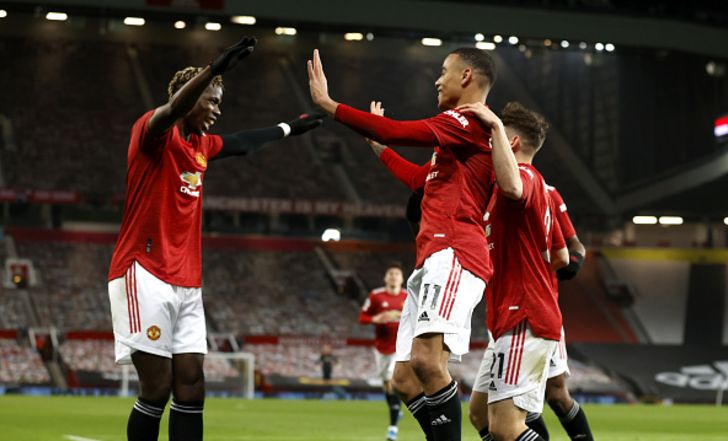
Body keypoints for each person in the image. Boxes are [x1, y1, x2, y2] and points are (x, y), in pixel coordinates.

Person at [106, 37, 323, 441]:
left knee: (192, 385)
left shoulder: (200, 146)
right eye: (213, 101)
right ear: (191, 99)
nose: (218, 110)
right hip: (143, 272)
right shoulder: (152, 133)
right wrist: (213, 69)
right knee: (157, 387)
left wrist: (289, 128)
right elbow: (172, 111)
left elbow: (241, 143)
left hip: (187, 282)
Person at [308, 47, 497, 441]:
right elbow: (417, 180)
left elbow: (396, 130)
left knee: (427, 363)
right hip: (432, 257)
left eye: (443, 71)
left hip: (455, 252)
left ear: (466, 76)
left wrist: (329, 104)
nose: (437, 80)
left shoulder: (467, 120)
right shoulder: (455, 143)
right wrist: (376, 144)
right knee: (404, 379)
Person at [460, 101, 567, 441]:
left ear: (513, 143)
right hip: (511, 314)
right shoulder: (523, 193)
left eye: (497, 138)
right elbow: (561, 255)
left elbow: (513, 187)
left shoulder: (525, 178)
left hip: (524, 314)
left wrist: (493, 123)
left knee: (506, 427)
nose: (490, 144)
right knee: (479, 413)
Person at [524, 185, 594, 441]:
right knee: (516, 400)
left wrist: (574, 262)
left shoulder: (547, 193)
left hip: (544, 307)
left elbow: (575, 245)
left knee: (555, 394)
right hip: (509, 307)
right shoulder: (492, 190)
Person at [359, 262, 408, 441]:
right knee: (386, 383)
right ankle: (394, 408)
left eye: (397, 274)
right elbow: (362, 318)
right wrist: (376, 318)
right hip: (381, 347)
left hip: (400, 346)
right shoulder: (376, 296)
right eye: (391, 274)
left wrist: (399, 315)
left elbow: (417, 318)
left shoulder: (408, 297)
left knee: (391, 379)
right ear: (385, 278)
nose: (394, 277)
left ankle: (392, 428)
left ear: (402, 278)